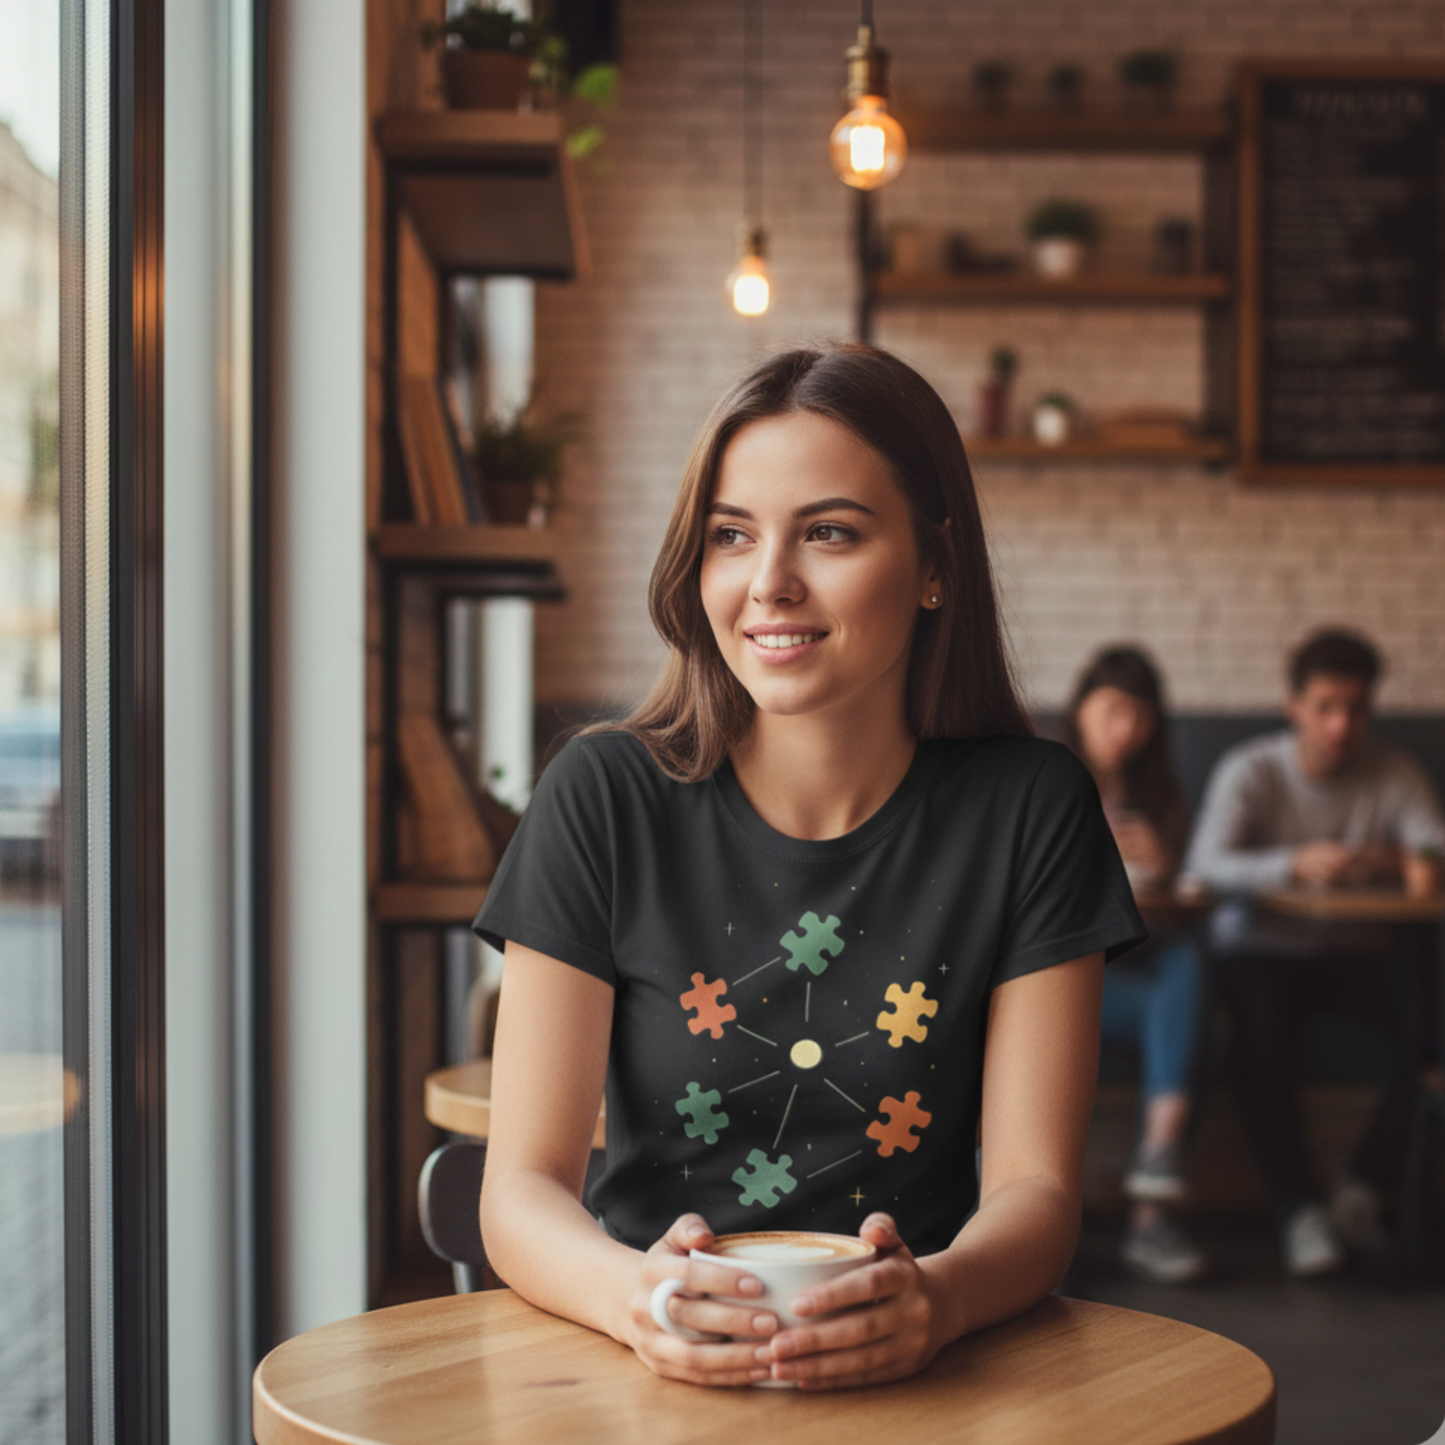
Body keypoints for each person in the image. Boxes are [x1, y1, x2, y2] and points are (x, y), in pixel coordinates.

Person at [474, 343, 1145, 1389]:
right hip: (640, 1371)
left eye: (828, 532)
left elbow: (1036, 1192)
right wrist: (634, 1299)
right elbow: (519, 1187)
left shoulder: (1028, 809)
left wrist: (938, 1299)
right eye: (730, 535)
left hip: (923, 1376)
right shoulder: (601, 797)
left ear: (934, 566)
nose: (769, 583)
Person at [1185, 627, 1445, 1277]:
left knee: (1433, 1023)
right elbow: (1203, 866)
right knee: (1258, 1028)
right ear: (1293, 706)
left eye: (1355, 708)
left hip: (1354, 951)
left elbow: (1432, 849)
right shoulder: (1251, 769)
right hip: (1261, 949)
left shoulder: (1394, 772)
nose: (1340, 725)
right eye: (1326, 707)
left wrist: (1384, 862)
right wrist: (1293, 863)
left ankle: (1363, 1188)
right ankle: (1298, 1211)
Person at [1064, 647, 1208, 1284]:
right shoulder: (1042, 778)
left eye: (1143, 718)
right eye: (1115, 711)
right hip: (1056, 982)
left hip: (1128, 977)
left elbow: (1177, 909)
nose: (1128, 730)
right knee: (1191, 1019)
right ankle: (1148, 1217)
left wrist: (1166, 866)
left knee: (1187, 967)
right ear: (1081, 708)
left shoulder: (1157, 795)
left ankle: (1156, 1171)